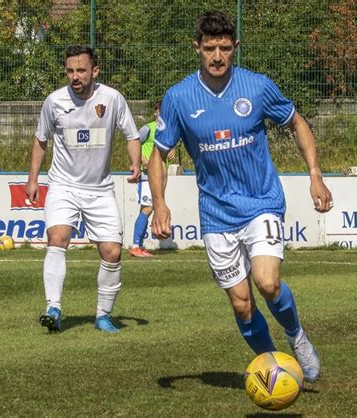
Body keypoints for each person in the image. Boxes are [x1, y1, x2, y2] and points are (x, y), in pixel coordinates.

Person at [148, 11, 333, 382]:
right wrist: (159, 203)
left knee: (267, 283)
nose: (217, 56)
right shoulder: (179, 97)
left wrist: (315, 175)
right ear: (196, 48)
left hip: (261, 201)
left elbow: (297, 123)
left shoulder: (257, 86)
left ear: (235, 49)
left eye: (225, 48)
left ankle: (297, 336)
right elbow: (159, 153)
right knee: (242, 304)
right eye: (210, 48)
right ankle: (275, 368)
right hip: (216, 213)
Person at [26, 45, 141, 333]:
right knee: (57, 237)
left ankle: (103, 315)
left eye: (80, 70)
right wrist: (32, 179)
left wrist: (135, 162)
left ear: (95, 71)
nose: (74, 76)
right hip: (63, 185)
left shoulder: (112, 99)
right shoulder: (54, 101)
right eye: (70, 71)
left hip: (100, 190)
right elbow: (41, 140)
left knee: (113, 252)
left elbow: (132, 134)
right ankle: (53, 307)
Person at [129, 100, 175, 257]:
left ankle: (139, 246)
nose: (162, 114)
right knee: (147, 208)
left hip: (161, 176)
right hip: (147, 175)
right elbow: (134, 144)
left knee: (153, 207)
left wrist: (172, 152)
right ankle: (136, 246)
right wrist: (142, 160)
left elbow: (167, 148)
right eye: (159, 111)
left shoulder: (169, 130)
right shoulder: (148, 128)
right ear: (155, 112)